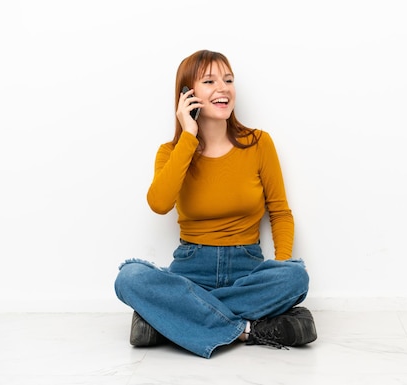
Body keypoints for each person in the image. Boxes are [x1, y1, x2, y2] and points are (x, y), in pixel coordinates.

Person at [114, 49, 317, 359]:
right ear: (186, 95)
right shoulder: (171, 152)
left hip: (247, 270)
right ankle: (248, 330)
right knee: (128, 278)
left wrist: (281, 263)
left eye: (228, 79)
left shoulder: (259, 143)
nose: (223, 88)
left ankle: (175, 317)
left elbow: (280, 212)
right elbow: (159, 203)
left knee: (295, 277)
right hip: (191, 269)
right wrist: (189, 136)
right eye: (209, 81)